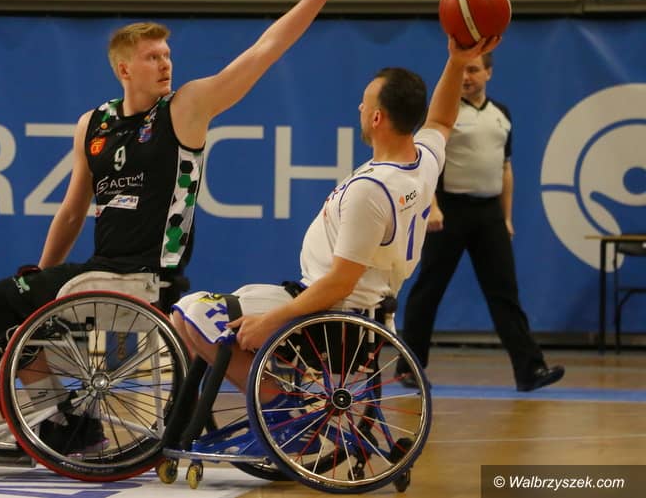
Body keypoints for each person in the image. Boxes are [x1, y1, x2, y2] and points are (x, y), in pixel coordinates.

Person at [0, 0, 364, 457]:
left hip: (148, 274)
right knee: (0, 308)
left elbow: (264, 51)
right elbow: (71, 211)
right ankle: (60, 418)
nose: (165, 64)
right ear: (124, 69)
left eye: (167, 55)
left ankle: (57, 422)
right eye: (153, 56)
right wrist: (42, 275)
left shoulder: (185, 108)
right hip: (100, 273)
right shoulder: (94, 124)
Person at [171, 36, 500, 410]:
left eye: (366, 103)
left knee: (195, 313)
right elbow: (441, 119)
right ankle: (216, 415)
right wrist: (456, 62)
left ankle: (278, 407)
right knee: (185, 318)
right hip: (346, 310)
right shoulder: (421, 161)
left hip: (332, 322)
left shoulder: (373, 190)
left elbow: (341, 282)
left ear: (376, 118)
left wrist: (271, 321)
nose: (360, 106)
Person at [394, 52, 564, 392]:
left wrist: (506, 217)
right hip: (450, 211)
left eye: (474, 70)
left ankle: (530, 370)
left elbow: (505, 169)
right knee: (429, 290)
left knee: (505, 293)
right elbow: (425, 163)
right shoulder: (445, 113)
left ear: (489, 73)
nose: (467, 77)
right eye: (463, 70)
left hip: (489, 214)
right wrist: (433, 207)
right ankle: (409, 367)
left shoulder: (502, 114)